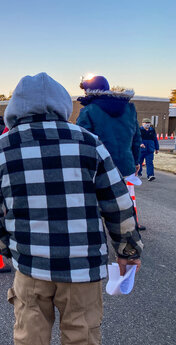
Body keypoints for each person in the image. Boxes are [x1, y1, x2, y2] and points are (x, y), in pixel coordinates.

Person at [0, 73, 143, 345]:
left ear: (15, 108)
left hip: (30, 266)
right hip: (82, 268)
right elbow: (117, 203)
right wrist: (127, 250)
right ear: (63, 105)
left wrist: (7, 248)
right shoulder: (89, 143)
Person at [76, 75, 145, 230]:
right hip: (125, 165)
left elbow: (82, 140)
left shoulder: (89, 110)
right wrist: (135, 162)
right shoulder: (129, 109)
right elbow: (136, 138)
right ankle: (128, 240)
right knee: (124, 203)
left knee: (94, 205)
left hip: (98, 166)